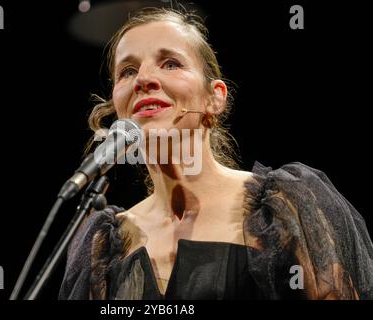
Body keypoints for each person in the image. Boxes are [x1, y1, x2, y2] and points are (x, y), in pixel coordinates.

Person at [58, 7, 373, 300]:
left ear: (214, 99)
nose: (143, 79)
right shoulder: (103, 245)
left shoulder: (284, 208)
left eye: (171, 63)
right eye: (127, 71)